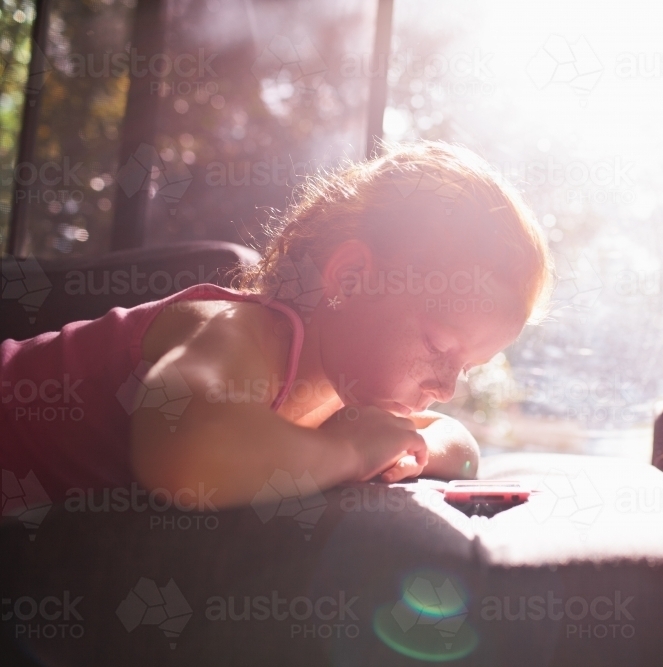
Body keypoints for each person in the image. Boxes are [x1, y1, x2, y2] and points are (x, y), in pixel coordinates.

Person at [1, 142, 552, 508]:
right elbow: (187, 455)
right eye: (439, 345)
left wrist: (409, 447)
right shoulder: (238, 333)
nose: (447, 387)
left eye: (467, 369)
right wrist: (350, 454)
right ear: (352, 277)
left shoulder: (351, 391)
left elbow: (460, 446)